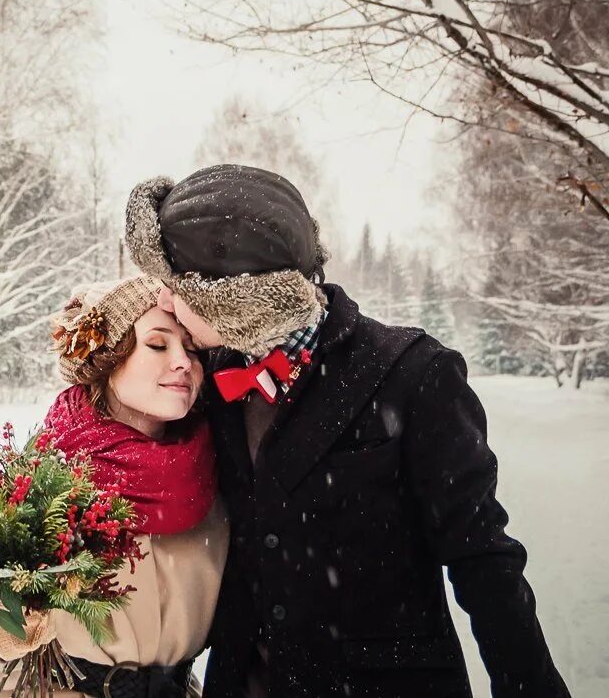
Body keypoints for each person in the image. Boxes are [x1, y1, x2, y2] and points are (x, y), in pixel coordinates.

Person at [123, 163, 570, 698]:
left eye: (178, 287)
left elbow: (484, 560)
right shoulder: (204, 380)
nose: (164, 301)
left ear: (238, 301)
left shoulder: (414, 375)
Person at [0, 275, 229, 698]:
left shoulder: (213, 468)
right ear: (107, 361)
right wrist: (10, 629)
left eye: (192, 349)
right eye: (158, 345)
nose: (183, 362)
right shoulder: (42, 480)